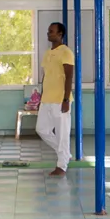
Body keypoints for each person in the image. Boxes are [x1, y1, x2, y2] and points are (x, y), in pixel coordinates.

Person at [37, 21, 74, 176]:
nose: (49, 33)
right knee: (41, 130)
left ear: (60, 34)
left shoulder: (66, 52)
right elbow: (46, 76)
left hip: (60, 100)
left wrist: (66, 99)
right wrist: (41, 96)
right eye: (48, 31)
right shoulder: (47, 53)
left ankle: (62, 165)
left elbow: (69, 77)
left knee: (62, 134)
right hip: (46, 100)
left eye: (51, 31)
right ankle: (64, 154)